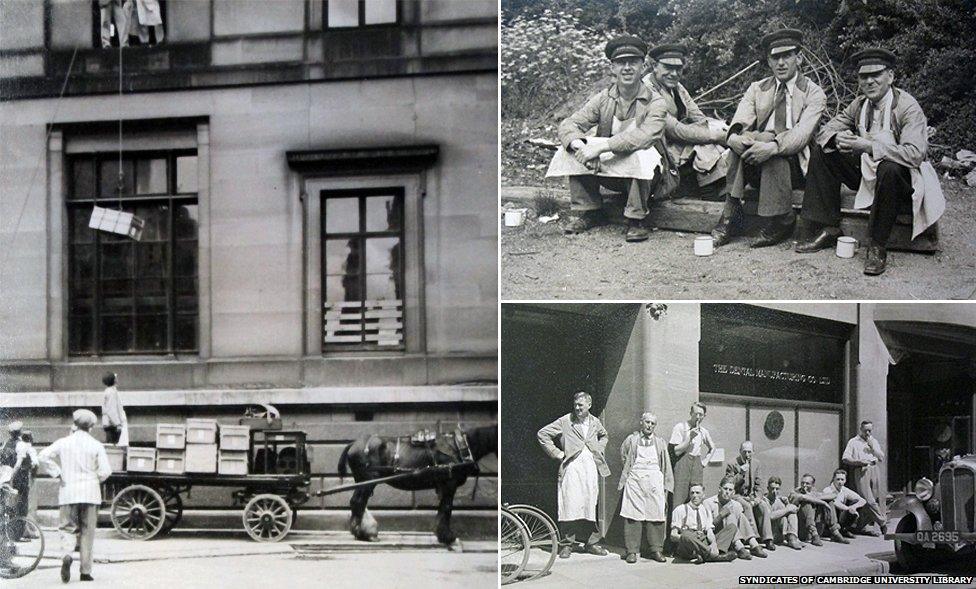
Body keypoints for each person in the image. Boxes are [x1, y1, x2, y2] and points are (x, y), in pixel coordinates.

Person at [795, 48, 945, 275]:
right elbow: (825, 130)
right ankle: (828, 226)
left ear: (890, 76)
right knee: (823, 151)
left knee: (890, 167)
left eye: (876, 75)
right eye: (864, 77)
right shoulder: (859, 105)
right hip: (867, 173)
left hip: (901, 180)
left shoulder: (907, 107)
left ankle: (877, 245)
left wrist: (869, 147)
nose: (870, 81)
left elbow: (915, 153)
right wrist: (837, 138)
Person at [712, 28, 827, 248]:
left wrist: (772, 146)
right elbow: (741, 119)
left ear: (799, 58)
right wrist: (734, 137)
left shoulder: (814, 93)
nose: (781, 63)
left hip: (796, 166)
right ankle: (731, 214)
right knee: (743, 142)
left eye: (787, 56)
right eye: (775, 57)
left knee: (769, 143)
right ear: (769, 61)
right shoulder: (757, 88)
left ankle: (783, 219)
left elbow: (801, 135)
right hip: (757, 160)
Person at [556, 35, 668, 242]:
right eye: (621, 63)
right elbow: (569, 124)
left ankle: (636, 218)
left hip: (649, 178)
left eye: (633, 62)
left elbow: (646, 136)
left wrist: (602, 147)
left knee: (643, 153)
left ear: (643, 67)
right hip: (609, 171)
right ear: (612, 68)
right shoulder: (603, 98)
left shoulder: (656, 101)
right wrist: (579, 145)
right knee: (571, 148)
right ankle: (590, 210)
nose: (627, 68)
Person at [642, 44, 728, 197]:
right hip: (659, 148)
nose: (674, 73)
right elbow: (674, 129)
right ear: (655, 66)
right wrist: (716, 136)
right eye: (668, 67)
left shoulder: (677, 87)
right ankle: (708, 190)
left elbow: (698, 116)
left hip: (679, 143)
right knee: (709, 143)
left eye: (679, 69)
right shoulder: (646, 90)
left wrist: (723, 129)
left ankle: (716, 188)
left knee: (717, 135)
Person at [37, 409, 113, 583]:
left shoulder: (64, 442)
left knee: (67, 527)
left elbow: (43, 456)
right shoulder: (96, 445)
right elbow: (106, 471)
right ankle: (85, 571)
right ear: (91, 427)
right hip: (91, 493)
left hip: (68, 492)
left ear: (75, 425)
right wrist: (95, 480)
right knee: (88, 532)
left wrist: (58, 473)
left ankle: (67, 554)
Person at [537, 391, 611, 558]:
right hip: (572, 467)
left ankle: (591, 543)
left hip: (590, 467)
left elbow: (604, 435)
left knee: (590, 504)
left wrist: (598, 450)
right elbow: (543, 434)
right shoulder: (566, 421)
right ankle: (567, 544)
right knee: (570, 503)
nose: (577, 408)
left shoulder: (595, 422)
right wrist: (557, 453)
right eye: (575, 405)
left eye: (581, 405)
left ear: (589, 405)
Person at [618, 412, 674, 563]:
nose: (649, 425)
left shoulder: (660, 442)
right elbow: (624, 455)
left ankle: (656, 550)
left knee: (656, 514)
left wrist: (665, 484)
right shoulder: (632, 440)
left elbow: (666, 463)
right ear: (641, 422)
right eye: (647, 422)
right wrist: (631, 473)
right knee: (632, 515)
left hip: (654, 480)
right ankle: (632, 551)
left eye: (652, 423)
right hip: (635, 479)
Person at [703, 476, 768, 559]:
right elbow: (707, 526)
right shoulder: (708, 502)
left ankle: (753, 543)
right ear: (719, 489)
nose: (727, 492)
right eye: (725, 489)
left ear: (733, 492)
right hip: (717, 536)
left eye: (730, 490)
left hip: (731, 534)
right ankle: (739, 547)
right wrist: (721, 515)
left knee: (740, 515)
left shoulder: (736, 504)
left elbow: (739, 525)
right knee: (729, 514)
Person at [725, 440, 774, 550]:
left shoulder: (756, 463)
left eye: (749, 452)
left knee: (763, 506)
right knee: (747, 506)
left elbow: (759, 484)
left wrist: (757, 498)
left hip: (751, 496)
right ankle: (754, 538)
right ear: (740, 452)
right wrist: (740, 473)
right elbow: (729, 484)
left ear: (753, 452)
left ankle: (768, 539)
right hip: (737, 496)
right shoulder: (732, 464)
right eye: (744, 452)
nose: (747, 455)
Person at [670, 483, 736, 564]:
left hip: (703, 539)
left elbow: (709, 531)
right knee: (685, 535)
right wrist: (686, 539)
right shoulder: (680, 509)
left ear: (703, 495)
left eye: (698, 493)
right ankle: (712, 555)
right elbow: (673, 535)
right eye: (692, 493)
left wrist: (714, 544)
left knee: (732, 527)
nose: (694, 495)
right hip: (688, 545)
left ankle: (707, 553)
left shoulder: (705, 510)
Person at [841, 420, 887, 535]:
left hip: (874, 469)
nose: (867, 433)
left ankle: (864, 527)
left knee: (875, 498)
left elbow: (881, 457)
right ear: (860, 429)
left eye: (870, 430)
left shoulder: (873, 441)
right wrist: (858, 462)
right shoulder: (853, 442)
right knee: (868, 500)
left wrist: (872, 448)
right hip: (862, 469)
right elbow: (845, 458)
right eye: (865, 430)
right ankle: (882, 522)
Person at [669, 402, 714, 508]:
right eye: (695, 414)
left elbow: (713, 448)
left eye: (701, 415)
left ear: (704, 416)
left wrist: (703, 463)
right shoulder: (680, 427)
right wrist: (690, 438)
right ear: (690, 413)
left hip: (696, 464)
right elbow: (675, 451)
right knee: (679, 497)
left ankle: (693, 523)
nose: (698, 417)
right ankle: (677, 524)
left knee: (696, 497)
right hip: (682, 464)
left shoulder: (703, 431)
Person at [0, 421, 37, 540]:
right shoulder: (21, 445)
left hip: (5, 476)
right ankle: (17, 535)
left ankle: (9, 534)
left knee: (10, 505)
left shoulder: (6, 443)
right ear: (20, 432)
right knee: (21, 506)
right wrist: (12, 477)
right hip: (18, 477)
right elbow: (18, 464)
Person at [821, 468, 884, 537]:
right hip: (830, 517)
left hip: (841, 514)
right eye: (838, 479)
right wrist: (848, 509)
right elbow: (835, 503)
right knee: (842, 508)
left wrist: (854, 507)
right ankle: (832, 531)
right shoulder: (827, 490)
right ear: (833, 479)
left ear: (845, 481)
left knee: (856, 502)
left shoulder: (844, 490)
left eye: (842, 480)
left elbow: (862, 500)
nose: (840, 482)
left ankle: (843, 530)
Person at [791, 472, 849, 545]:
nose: (804, 485)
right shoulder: (795, 492)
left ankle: (835, 533)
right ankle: (814, 535)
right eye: (802, 483)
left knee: (829, 501)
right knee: (807, 503)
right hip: (802, 530)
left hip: (818, 529)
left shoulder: (814, 492)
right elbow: (804, 497)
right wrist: (822, 502)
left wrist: (817, 498)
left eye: (807, 483)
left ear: (812, 485)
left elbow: (833, 495)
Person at [762, 476, 803, 550]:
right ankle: (791, 538)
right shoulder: (763, 500)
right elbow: (770, 516)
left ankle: (792, 537)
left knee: (791, 510)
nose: (774, 491)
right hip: (769, 536)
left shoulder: (779, 500)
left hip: (779, 534)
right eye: (772, 488)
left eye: (777, 489)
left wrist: (787, 505)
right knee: (788, 509)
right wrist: (787, 509)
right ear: (768, 488)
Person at [101, 372, 127, 446]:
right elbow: (111, 409)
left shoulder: (109, 391)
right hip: (112, 424)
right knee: (113, 447)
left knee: (111, 446)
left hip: (109, 423)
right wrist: (118, 423)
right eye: (115, 378)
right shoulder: (111, 392)